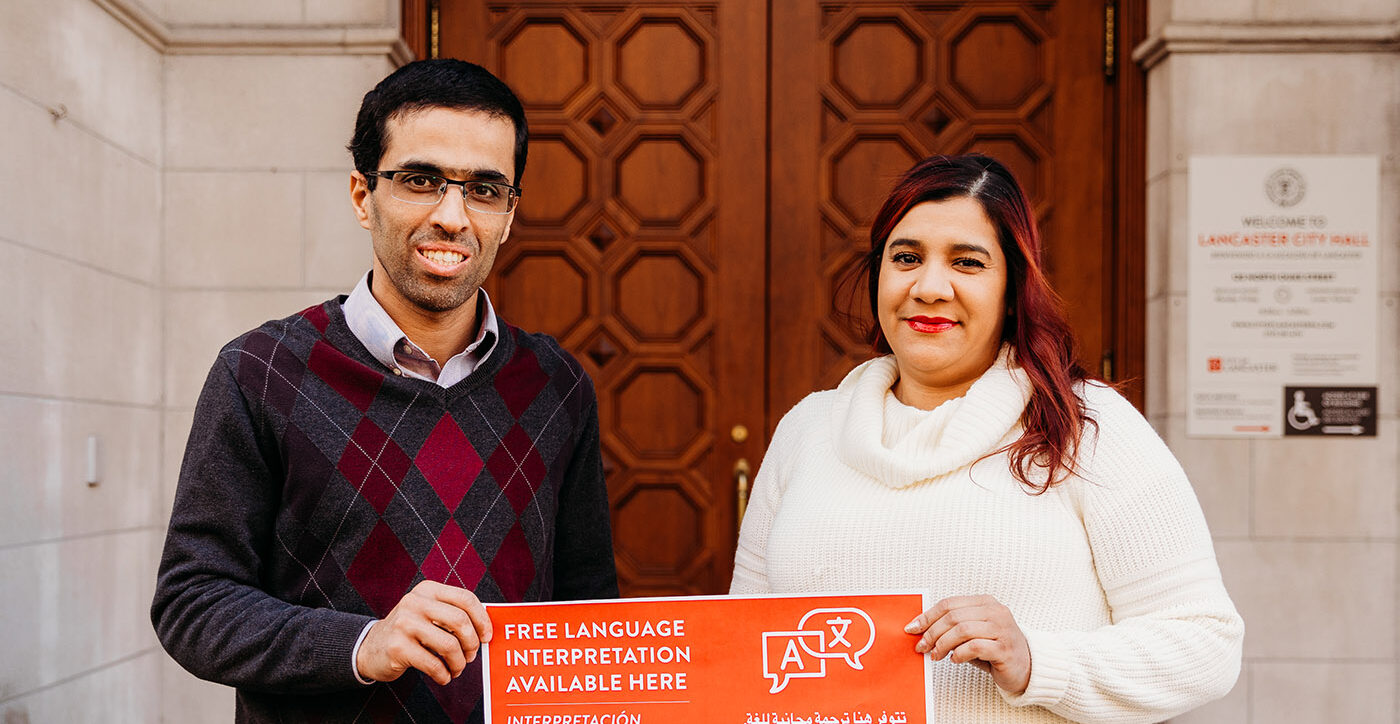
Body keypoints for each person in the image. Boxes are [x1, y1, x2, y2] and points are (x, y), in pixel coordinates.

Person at [152, 59, 618, 723]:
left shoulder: (556, 385)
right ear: (361, 195)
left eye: (485, 190)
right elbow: (193, 602)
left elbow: (587, 606)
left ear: (510, 215)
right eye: (421, 180)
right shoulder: (259, 371)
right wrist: (362, 643)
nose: (452, 217)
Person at [731, 154, 1243, 723]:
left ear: (1012, 288)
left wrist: (1035, 660)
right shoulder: (809, 430)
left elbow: (1205, 645)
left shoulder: (1086, 426)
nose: (928, 287)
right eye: (906, 258)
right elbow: (745, 648)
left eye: (967, 263)